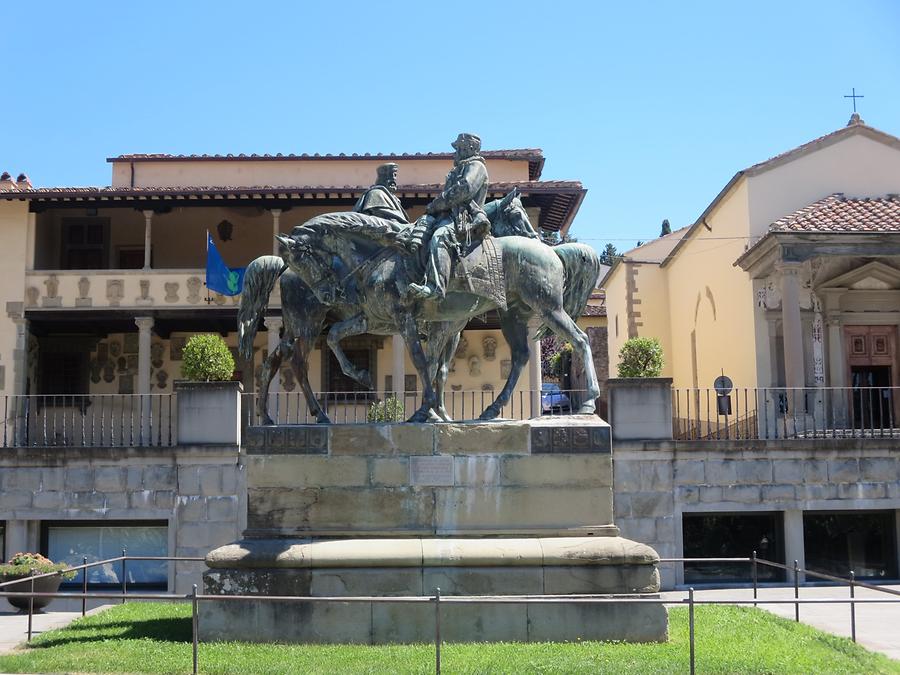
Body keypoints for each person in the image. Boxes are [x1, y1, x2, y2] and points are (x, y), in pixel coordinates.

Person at [407, 133, 490, 301]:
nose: (456, 152)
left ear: (470, 148)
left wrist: (436, 204)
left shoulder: (476, 166)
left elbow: (463, 189)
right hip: (447, 215)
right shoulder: (460, 168)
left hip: (463, 219)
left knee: (440, 237)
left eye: (459, 148)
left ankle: (436, 287)